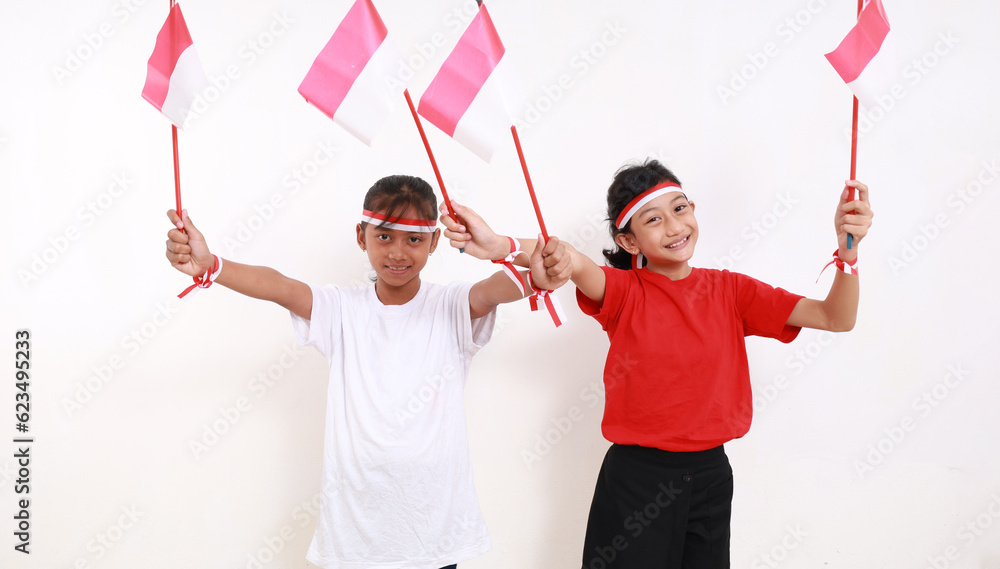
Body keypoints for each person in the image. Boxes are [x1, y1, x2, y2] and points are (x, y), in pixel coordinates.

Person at [440, 159, 873, 569]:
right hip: (637, 482)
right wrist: (501, 246)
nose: (674, 226)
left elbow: (836, 317)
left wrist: (848, 253)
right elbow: (568, 258)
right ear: (628, 242)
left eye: (679, 208)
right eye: (653, 219)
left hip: (711, 478)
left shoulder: (731, 291)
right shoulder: (624, 292)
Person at [164, 174, 571, 569]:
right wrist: (211, 266)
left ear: (433, 242)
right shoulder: (340, 310)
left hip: (433, 532)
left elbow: (515, 277)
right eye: (384, 236)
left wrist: (527, 266)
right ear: (361, 237)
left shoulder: (452, 306)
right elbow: (279, 286)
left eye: (413, 239)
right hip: (355, 535)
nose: (397, 252)